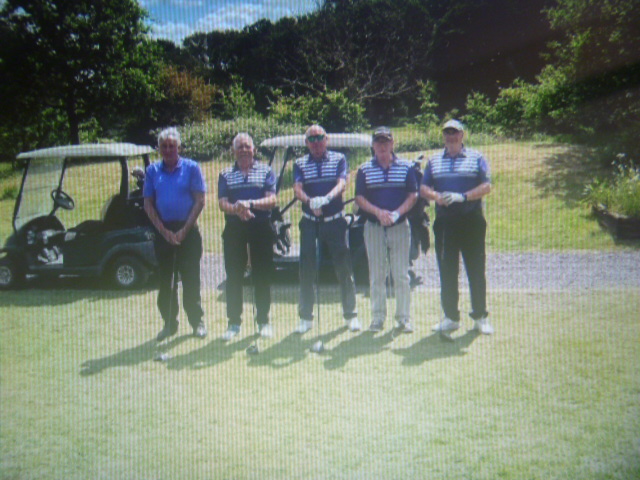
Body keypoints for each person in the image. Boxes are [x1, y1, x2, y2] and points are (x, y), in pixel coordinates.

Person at [420, 119, 494, 335]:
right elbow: (423, 188)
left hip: (471, 221)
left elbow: (487, 186)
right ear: (443, 136)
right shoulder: (434, 161)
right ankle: (451, 317)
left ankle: (480, 317)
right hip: (445, 223)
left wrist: (463, 196)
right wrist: (437, 197)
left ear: (462, 135)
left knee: (476, 269)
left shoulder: (476, 157)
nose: (451, 137)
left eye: (455, 133)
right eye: (447, 133)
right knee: (447, 271)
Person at [292, 125, 360, 334]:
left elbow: (342, 183)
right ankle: (305, 318)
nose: (316, 143)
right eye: (312, 139)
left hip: (335, 221)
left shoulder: (339, 159)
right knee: (307, 269)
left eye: (320, 138)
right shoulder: (300, 163)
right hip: (310, 222)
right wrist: (310, 201)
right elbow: (297, 189)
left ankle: (350, 315)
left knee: (344, 268)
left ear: (326, 139)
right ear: (306, 143)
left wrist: (327, 198)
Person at [144, 127, 207, 341]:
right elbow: (148, 203)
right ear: (159, 148)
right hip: (163, 231)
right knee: (166, 282)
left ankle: (197, 322)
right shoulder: (152, 171)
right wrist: (164, 232)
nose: (168, 150)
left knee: (191, 280)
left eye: (172, 146)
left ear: (179, 147)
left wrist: (182, 231)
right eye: (164, 146)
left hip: (188, 231)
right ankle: (169, 324)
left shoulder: (192, 168)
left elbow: (200, 201)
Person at [355, 127, 418, 333]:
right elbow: (359, 198)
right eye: (378, 142)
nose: (382, 146)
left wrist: (397, 213)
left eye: (386, 142)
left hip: (399, 226)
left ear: (392, 144)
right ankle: (378, 317)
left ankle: (403, 318)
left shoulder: (406, 167)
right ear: (373, 146)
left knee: (401, 274)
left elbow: (413, 195)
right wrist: (379, 212)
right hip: (374, 226)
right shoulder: (364, 169)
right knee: (376, 275)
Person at [218, 133, 277, 340]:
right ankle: (234, 323)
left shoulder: (266, 170)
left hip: (260, 228)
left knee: (262, 275)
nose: (244, 150)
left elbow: (272, 200)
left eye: (247, 147)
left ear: (254, 150)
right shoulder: (225, 174)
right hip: (235, 230)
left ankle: (263, 321)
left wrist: (249, 204)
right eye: (239, 147)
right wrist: (237, 208)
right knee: (234, 276)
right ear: (234, 151)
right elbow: (222, 203)